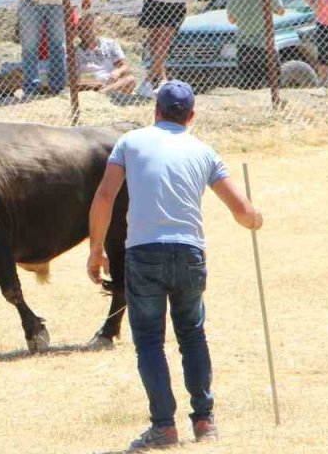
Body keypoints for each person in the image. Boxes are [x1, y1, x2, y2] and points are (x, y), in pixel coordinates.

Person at [86, 80, 263, 451]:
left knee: (149, 340)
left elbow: (105, 196)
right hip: (189, 253)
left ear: (156, 111)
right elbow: (243, 212)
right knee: (192, 335)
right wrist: (255, 219)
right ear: (192, 116)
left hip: (144, 253)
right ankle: (204, 421)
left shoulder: (129, 142)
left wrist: (96, 250)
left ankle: (163, 427)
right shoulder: (204, 151)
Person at [223, 0, 286, 89]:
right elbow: (281, 12)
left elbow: (232, 20)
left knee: (249, 84)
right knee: (274, 81)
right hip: (265, 42)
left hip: (244, 44)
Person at [74, 6, 136, 95]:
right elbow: (74, 77)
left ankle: (103, 92)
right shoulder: (76, 51)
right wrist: (95, 81)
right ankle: (104, 92)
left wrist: (117, 71)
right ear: (78, 32)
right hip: (90, 84)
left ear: (96, 27)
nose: (85, 32)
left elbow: (124, 66)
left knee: (130, 79)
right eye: (81, 29)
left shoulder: (110, 44)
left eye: (88, 27)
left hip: (110, 81)